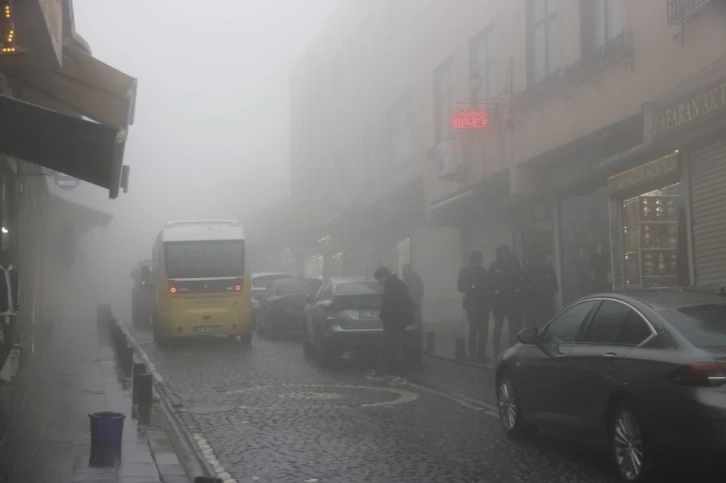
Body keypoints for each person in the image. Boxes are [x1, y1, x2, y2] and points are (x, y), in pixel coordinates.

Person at [367, 266, 414, 385]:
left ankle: (401, 376)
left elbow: (392, 306)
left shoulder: (393, 286)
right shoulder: (394, 284)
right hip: (392, 322)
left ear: (384, 276)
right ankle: (380, 373)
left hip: (394, 322)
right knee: (385, 347)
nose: (379, 282)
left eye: (379, 279)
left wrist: (383, 316)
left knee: (395, 348)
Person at [489, 245, 522, 361]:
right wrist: (494, 292)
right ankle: (496, 350)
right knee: (498, 325)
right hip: (499, 302)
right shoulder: (494, 266)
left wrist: (517, 291)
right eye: (501, 253)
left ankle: (512, 348)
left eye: (505, 253)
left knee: (513, 326)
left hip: (511, 301)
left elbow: (519, 278)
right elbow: (490, 282)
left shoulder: (514, 264)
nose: (503, 255)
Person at [458, 251, 490, 362]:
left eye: (480, 258)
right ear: (472, 259)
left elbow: (487, 285)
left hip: (484, 304)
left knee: (484, 330)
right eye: (477, 258)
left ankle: (481, 353)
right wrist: (473, 287)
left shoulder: (483, 271)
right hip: (472, 304)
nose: (479, 260)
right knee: (474, 328)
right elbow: (461, 286)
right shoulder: (465, 271)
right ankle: (473, 354)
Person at [521, 252, 558, 331]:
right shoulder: (528, 272)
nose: (539, 260)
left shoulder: (548, 271)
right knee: (533, 330)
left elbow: (555, 287)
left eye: (540, 258)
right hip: (533, 308)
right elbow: (524, 288)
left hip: (546, 307)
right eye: (537, 258)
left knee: (546, 329)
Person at [0, 251, 19, 348]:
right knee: (4, 331)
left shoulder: (14, 272)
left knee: (10, 331)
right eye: (4, 259)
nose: (5, 261)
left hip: (12, 308)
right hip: (2, 308)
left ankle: (9, 347)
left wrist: (17, 303)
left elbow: (18, 289)